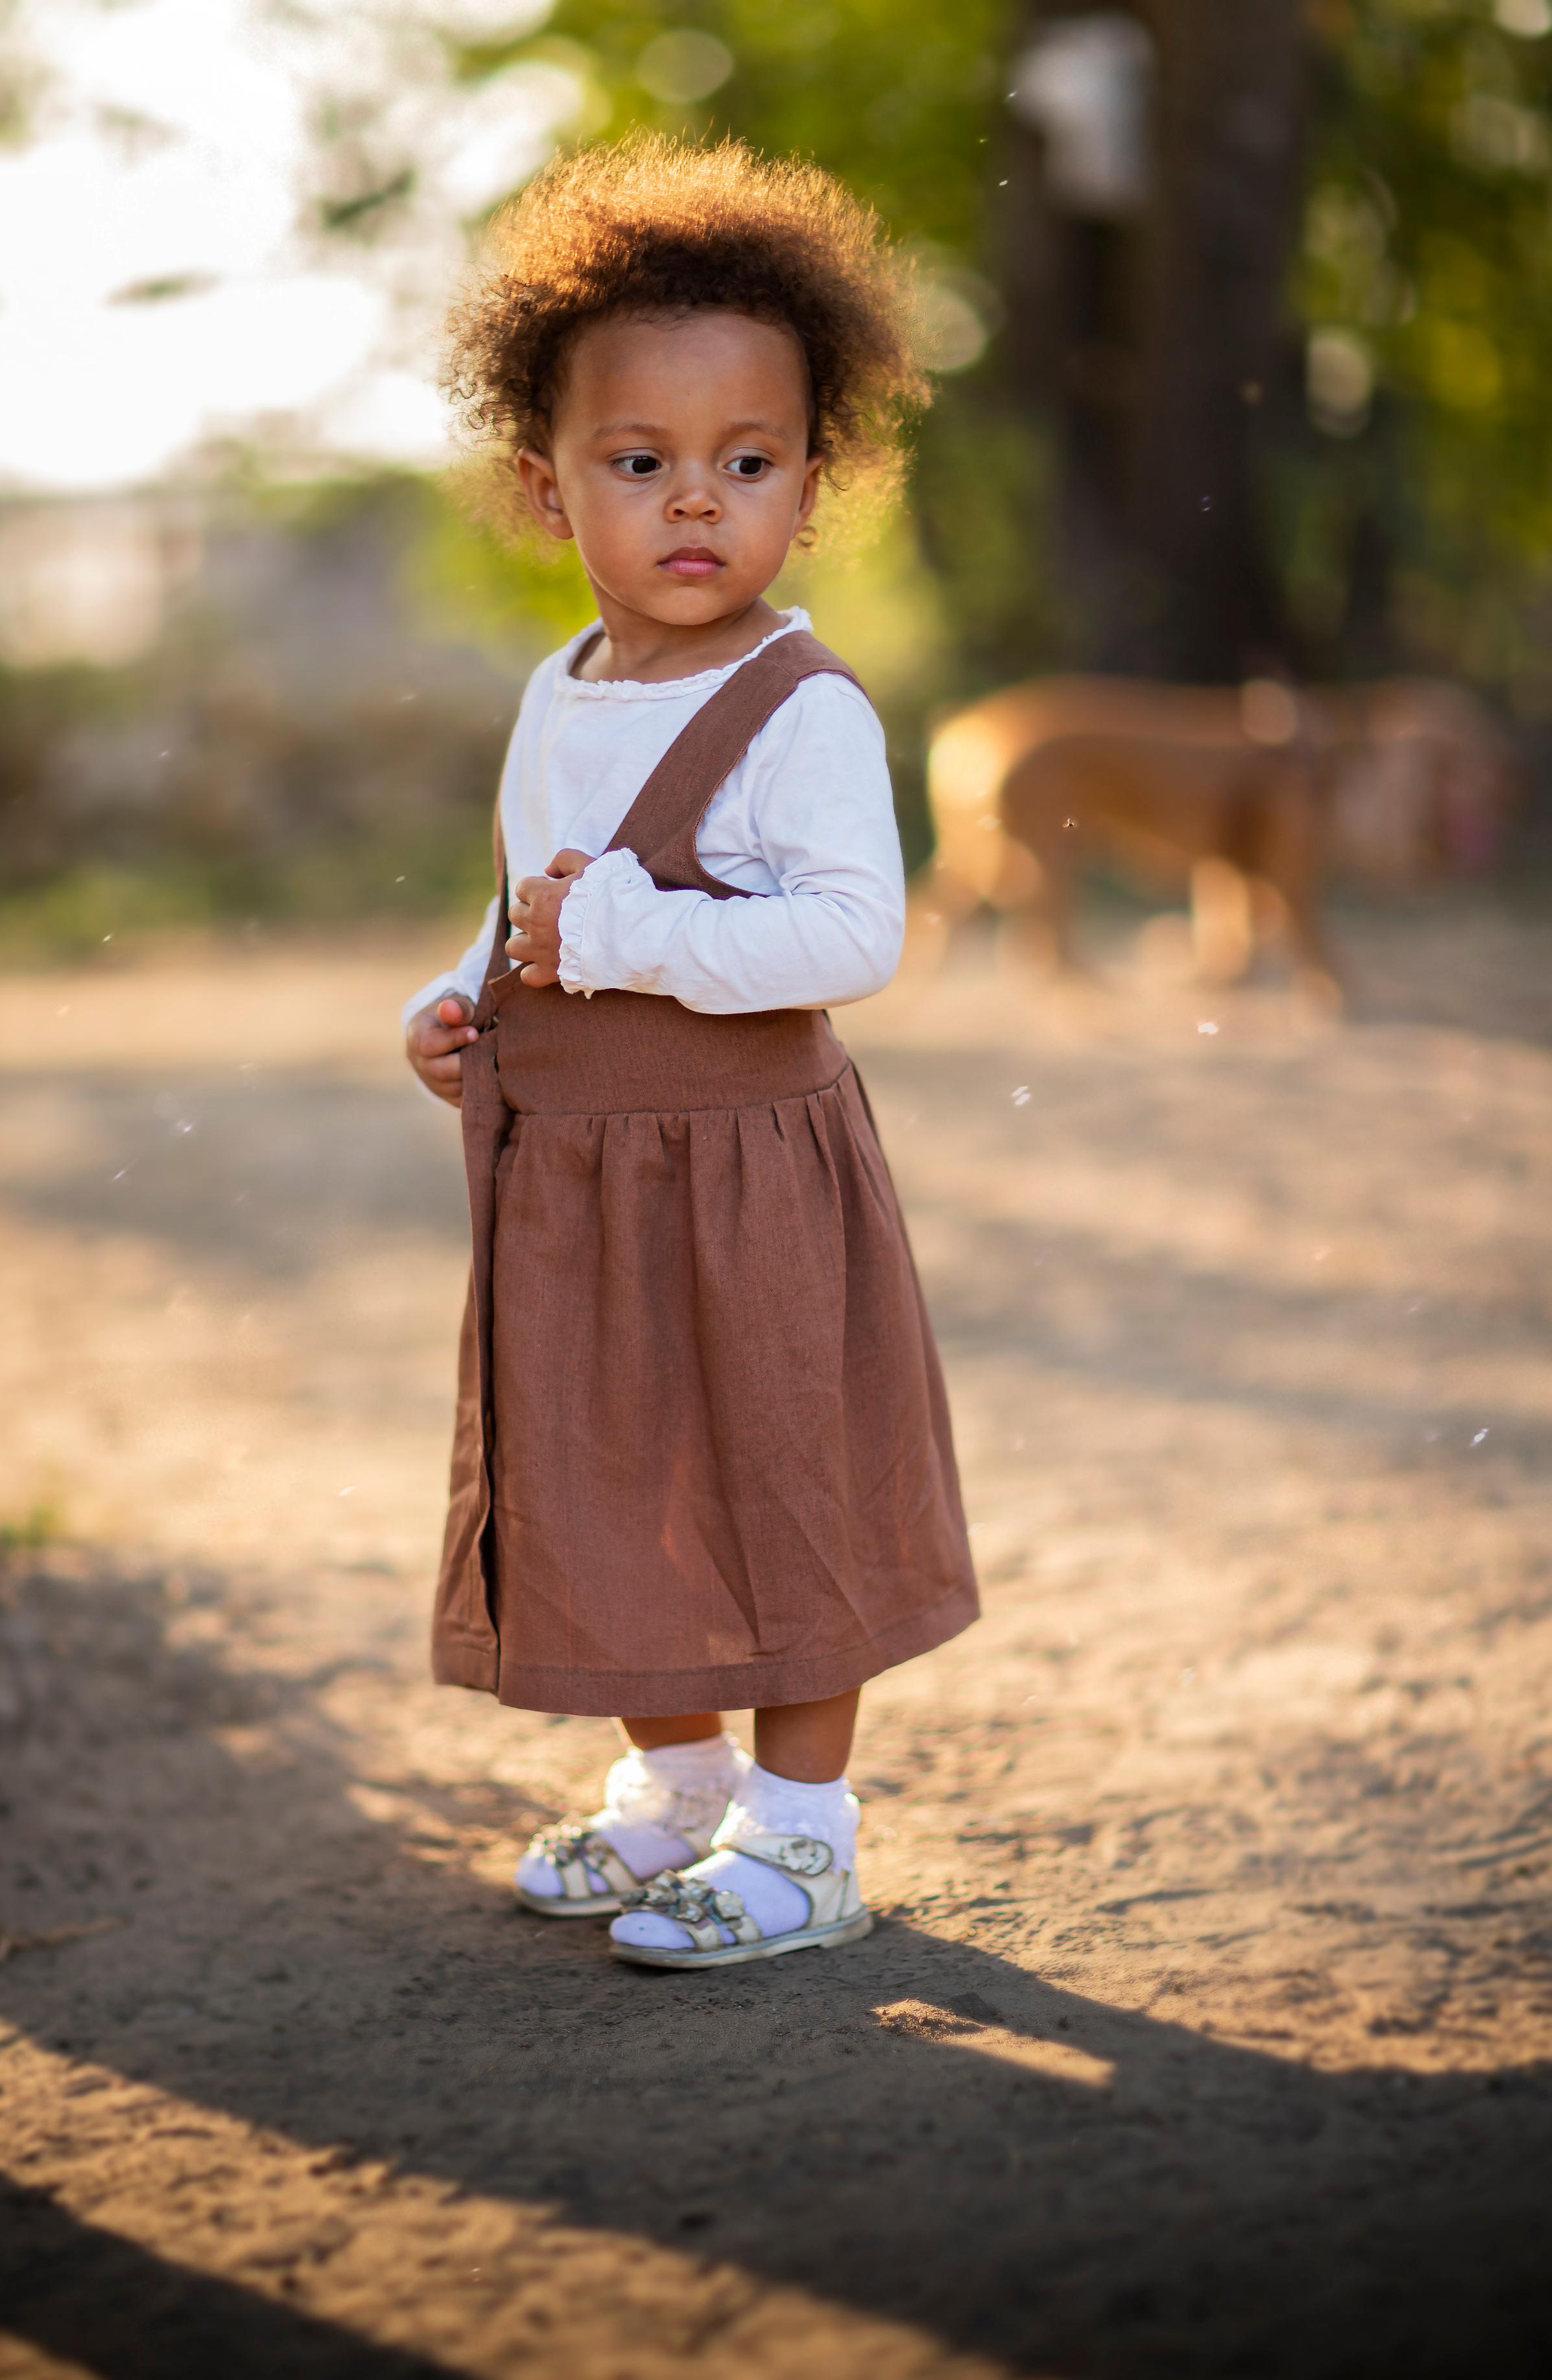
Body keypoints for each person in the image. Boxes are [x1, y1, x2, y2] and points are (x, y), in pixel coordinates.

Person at [403, 134, 977, 1969]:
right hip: (574, 1169)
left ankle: (806, 1838)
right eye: (639, 465)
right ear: (544, 481)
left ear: (817, 478)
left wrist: (625, 938)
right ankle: (674, 1788)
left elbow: (851, 939)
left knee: (779, 1480)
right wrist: (467, 986)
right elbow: (534, 887)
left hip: (743, 1176)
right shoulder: (559, 684)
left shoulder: (804, 709)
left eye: (747, 462)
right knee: (598, 1466)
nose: (694, 506)